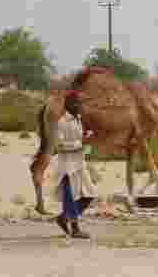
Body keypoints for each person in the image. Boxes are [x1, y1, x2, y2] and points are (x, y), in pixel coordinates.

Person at [52, 90, 98, 239]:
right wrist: (79, 145)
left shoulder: (78, 118)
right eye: (78, 103)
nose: (80, 106)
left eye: (81, 103)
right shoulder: (62, 122)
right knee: (72, 198)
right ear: (69, 104)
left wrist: (85, 138)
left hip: (79, 163)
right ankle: (75, 228)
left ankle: (64, 218)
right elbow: (58, 146)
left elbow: (78, 140)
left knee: (89, 195)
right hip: (67, 167)